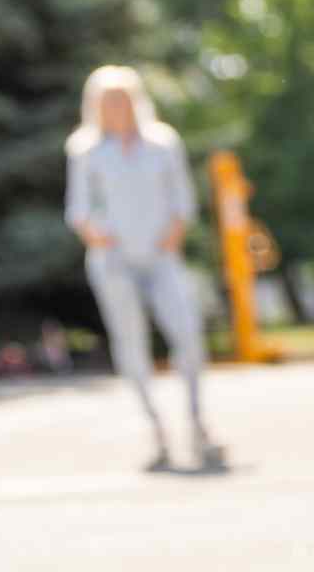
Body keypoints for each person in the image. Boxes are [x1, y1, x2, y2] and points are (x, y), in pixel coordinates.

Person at [65, 65, 222, 471]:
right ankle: (156, 431)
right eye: (107, 100)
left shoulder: (163, 143)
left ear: (135, 100)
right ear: (95, 105)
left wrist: (170, 235)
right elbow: (78, 210)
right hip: (113, 263)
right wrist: (100, 236)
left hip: (161, 259)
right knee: (130, 345)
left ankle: (197, 422)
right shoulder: (84, 150)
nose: (116, 106)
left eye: (122, 98)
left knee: (187, 336)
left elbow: (183, 201)